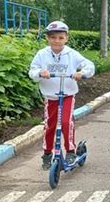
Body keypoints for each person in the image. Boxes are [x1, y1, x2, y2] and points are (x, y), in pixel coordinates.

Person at [29, 21, 95, 170]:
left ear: (66, 38)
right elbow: (32, 71)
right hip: (51, 96)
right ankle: (47, 154)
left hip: (67, 95)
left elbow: (89, 65)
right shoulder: (42, 54)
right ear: (47, 38)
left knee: (65, 122)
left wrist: (81, 73)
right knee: (50, 125)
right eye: (53, 37)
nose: (56, 41)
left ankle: (70, 150)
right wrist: (40, 72)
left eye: (60, 37)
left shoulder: (71, 54)